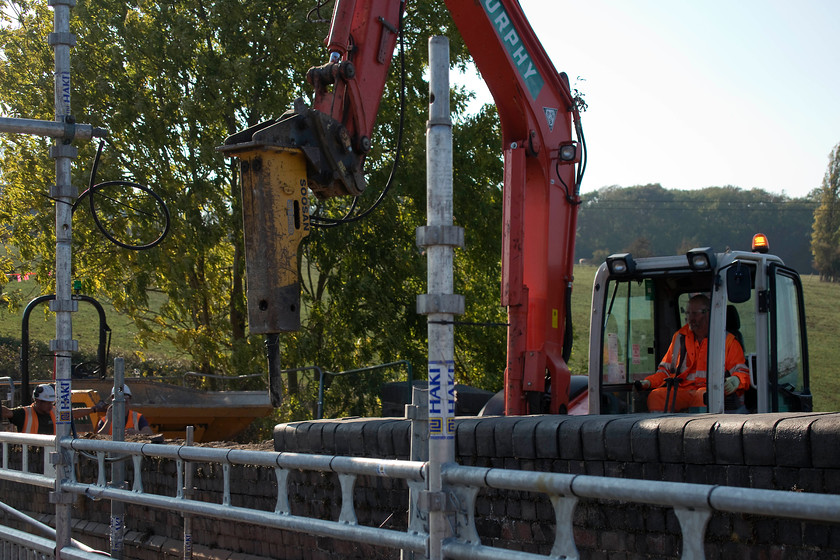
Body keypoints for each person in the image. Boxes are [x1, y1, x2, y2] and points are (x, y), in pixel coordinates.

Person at [637, 294, 750, 412]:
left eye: (695, 313)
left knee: (702, 396)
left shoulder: (727, 341)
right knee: (656, 397)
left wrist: (736, 380)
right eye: (687, 313)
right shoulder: (680, 337)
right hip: (683, 391)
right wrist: (648, 382)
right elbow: (665, 371)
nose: (690, 318)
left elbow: (742, 372)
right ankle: (660, 430)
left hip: (714, 392)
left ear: (708, 313)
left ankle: (698, 430)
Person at [0, 384, 104, 434]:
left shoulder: (54, 411)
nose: (50, 405)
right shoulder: (24, 413)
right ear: (38, 401)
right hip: (31, 457)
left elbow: (73, 414)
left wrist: (94, 409)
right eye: (48, 403)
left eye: (52, 403)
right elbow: (6, 412)